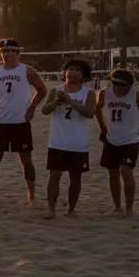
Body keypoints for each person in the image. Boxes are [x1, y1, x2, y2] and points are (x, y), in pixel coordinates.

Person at [0, 39, 47, 205]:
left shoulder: (27, 70)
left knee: (26, 159)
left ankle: (32, 196)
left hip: (20, 122)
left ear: (17, 53)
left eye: (11, 50)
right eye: (4, 51)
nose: (8, 54)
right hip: (0, 122)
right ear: (0, 53)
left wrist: (32, 107)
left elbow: (42, 90)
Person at [95, 69, 139, 218]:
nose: (120, 90)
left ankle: (129, 209)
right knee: (113, 173)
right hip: (111, 139)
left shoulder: (136, 95)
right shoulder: (105, 94)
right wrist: (102, 126)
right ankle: (117, 207)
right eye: (117, 86)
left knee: (127, 173)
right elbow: (97, 109)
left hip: (130, 140)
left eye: (124, 87)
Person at [41, 59, 97, 219]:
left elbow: (90, 113)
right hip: (57, 141)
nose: (72, 72)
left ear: (83, 75)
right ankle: (51, 209)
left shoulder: (88, 93)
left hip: (78, 143)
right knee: (54, 176)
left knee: (75, 177)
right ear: (65, 72)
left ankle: (71, 209)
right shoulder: (56, 90)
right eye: (70, 69)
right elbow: (44, 110)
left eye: (77, 70)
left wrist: (70, 102)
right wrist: (57, 102)